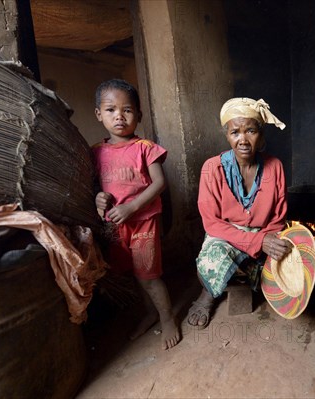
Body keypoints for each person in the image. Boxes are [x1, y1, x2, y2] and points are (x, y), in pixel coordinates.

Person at [187, 97, 292, 329]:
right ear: (227, 136)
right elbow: (212, 224)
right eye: (235, 132)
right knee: (211, 261)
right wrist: (256, 241)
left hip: (264, 233)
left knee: (295, 260)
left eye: (251, 131)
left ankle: (256, 279)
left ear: (261, 136)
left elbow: (278, 216)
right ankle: (207, 296)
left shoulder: (275, 166)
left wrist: (267, 238)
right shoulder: (211, 168)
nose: (243, 140)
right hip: (225, 236)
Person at [92, 79, 179, 350]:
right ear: (99, 114)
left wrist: (131, 207)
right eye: (111, 110)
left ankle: (167, 319)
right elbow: (95, 188)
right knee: (132, 273)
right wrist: (99, 199)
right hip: (115, 227)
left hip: (143, 223)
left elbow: (159, 183)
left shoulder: (145, 148)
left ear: (138, 115)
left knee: (148, 276)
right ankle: (151, 313)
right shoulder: (96, 152)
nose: (119, 116)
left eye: (127, 110)